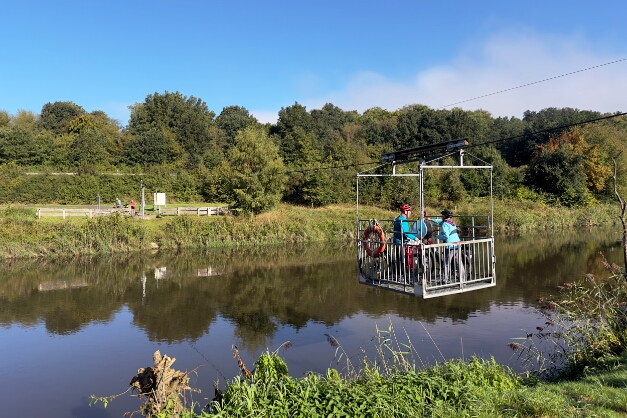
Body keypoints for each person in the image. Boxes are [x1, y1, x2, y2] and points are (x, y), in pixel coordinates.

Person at [431, 209, 464, 283]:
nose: (441, 216)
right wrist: (432, 219)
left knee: (446, 263)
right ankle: (463, 279)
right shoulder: (452, 222)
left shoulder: (445, 224)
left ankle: (444, 280)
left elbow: (446, 236)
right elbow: (440, 222)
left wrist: (437, 236)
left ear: (444, 216)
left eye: (442, 215)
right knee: (459, 262)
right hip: (457, 244)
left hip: (450, 245)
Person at [393, 204, 418, 279]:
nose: (410, 213)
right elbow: (406, 233)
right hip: (400, 242)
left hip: (397, 240)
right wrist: (415, 238)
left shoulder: (398, 218)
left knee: (399, 258)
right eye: (410, 211)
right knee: (402, 260)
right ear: (406, 212)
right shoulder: (403, 220)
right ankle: (400, 276)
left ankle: (399, 275)